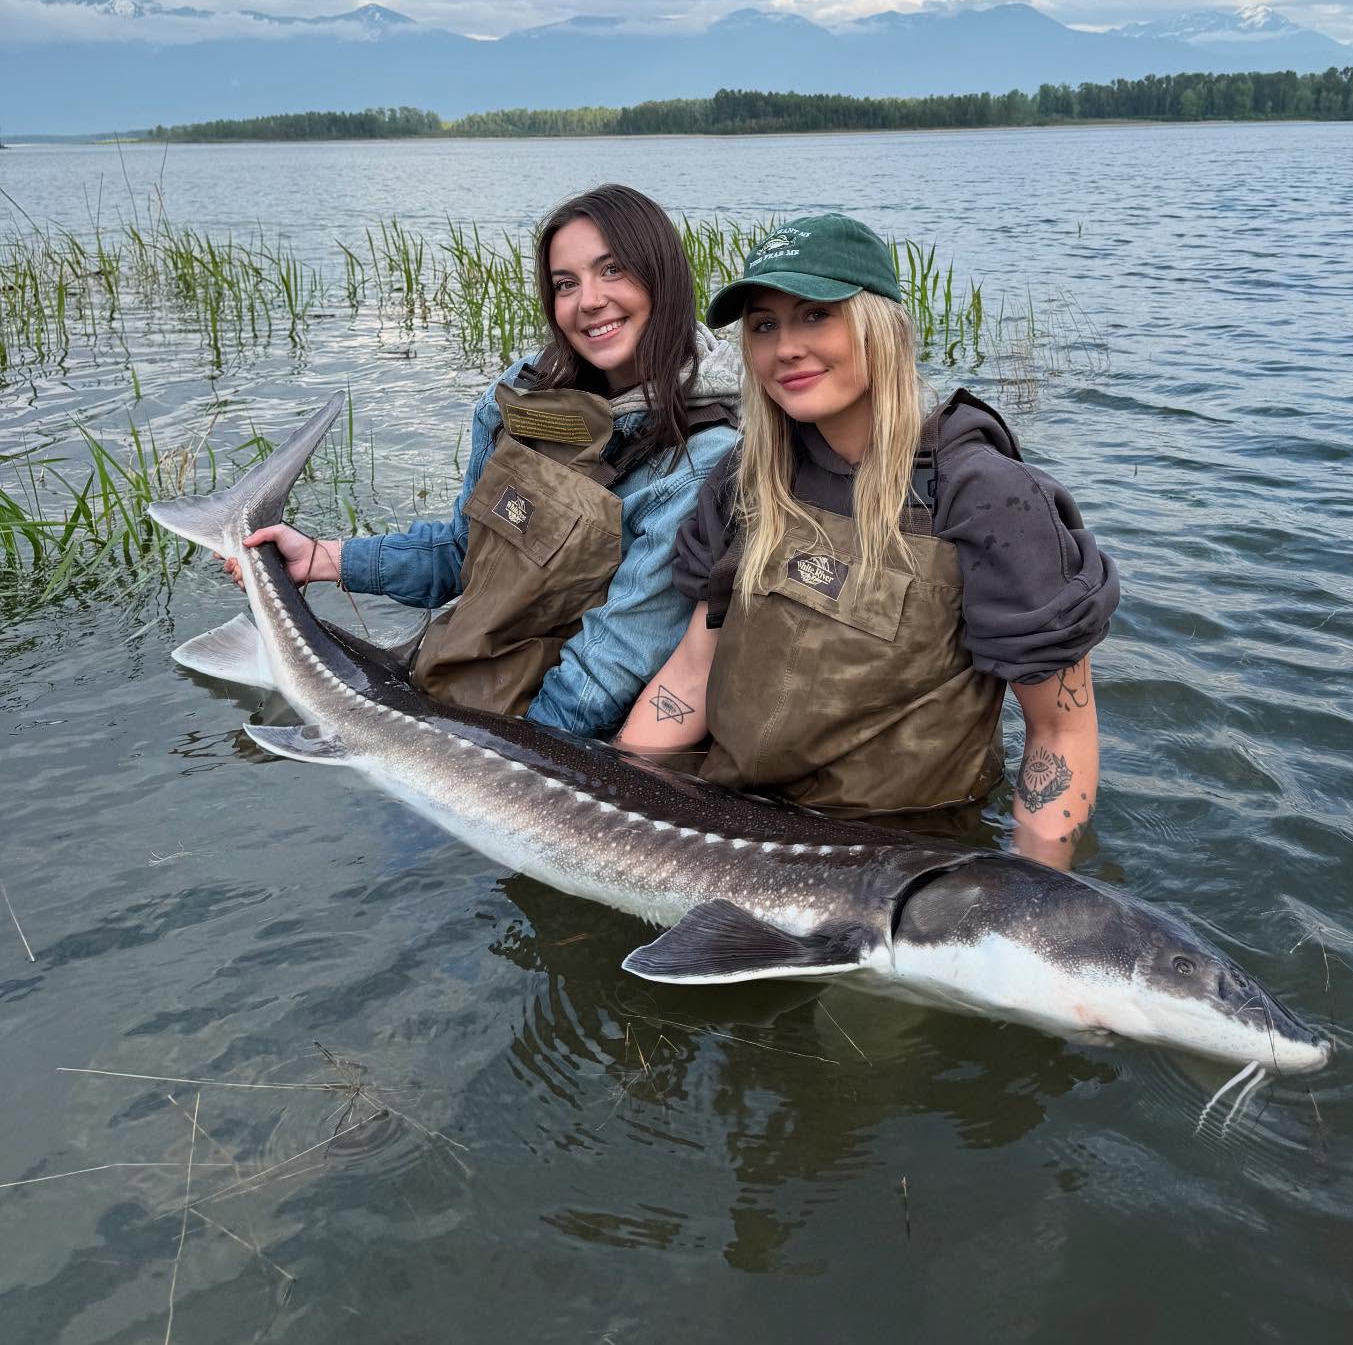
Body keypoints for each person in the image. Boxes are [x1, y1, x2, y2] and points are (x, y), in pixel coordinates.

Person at [615, 213, 1119, 867]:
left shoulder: (990, 497)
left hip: (909, 862)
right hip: (729, 830)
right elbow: (692, 671)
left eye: (815, 315)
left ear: (881, 326)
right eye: (764, 325)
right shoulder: (744, 478)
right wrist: (615, 806)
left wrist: (1027, 904)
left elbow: (1060, 732)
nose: (785, 347)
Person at [230, 185, 740, 735]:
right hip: (469, 702)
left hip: (558, 737)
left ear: (662, 277)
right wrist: (324, 559)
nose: (587, 301)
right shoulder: (520, 394)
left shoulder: (703, 458)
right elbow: (461, 553)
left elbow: (606, 671)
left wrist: (500, 767)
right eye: (565, 284)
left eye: (612, 271)